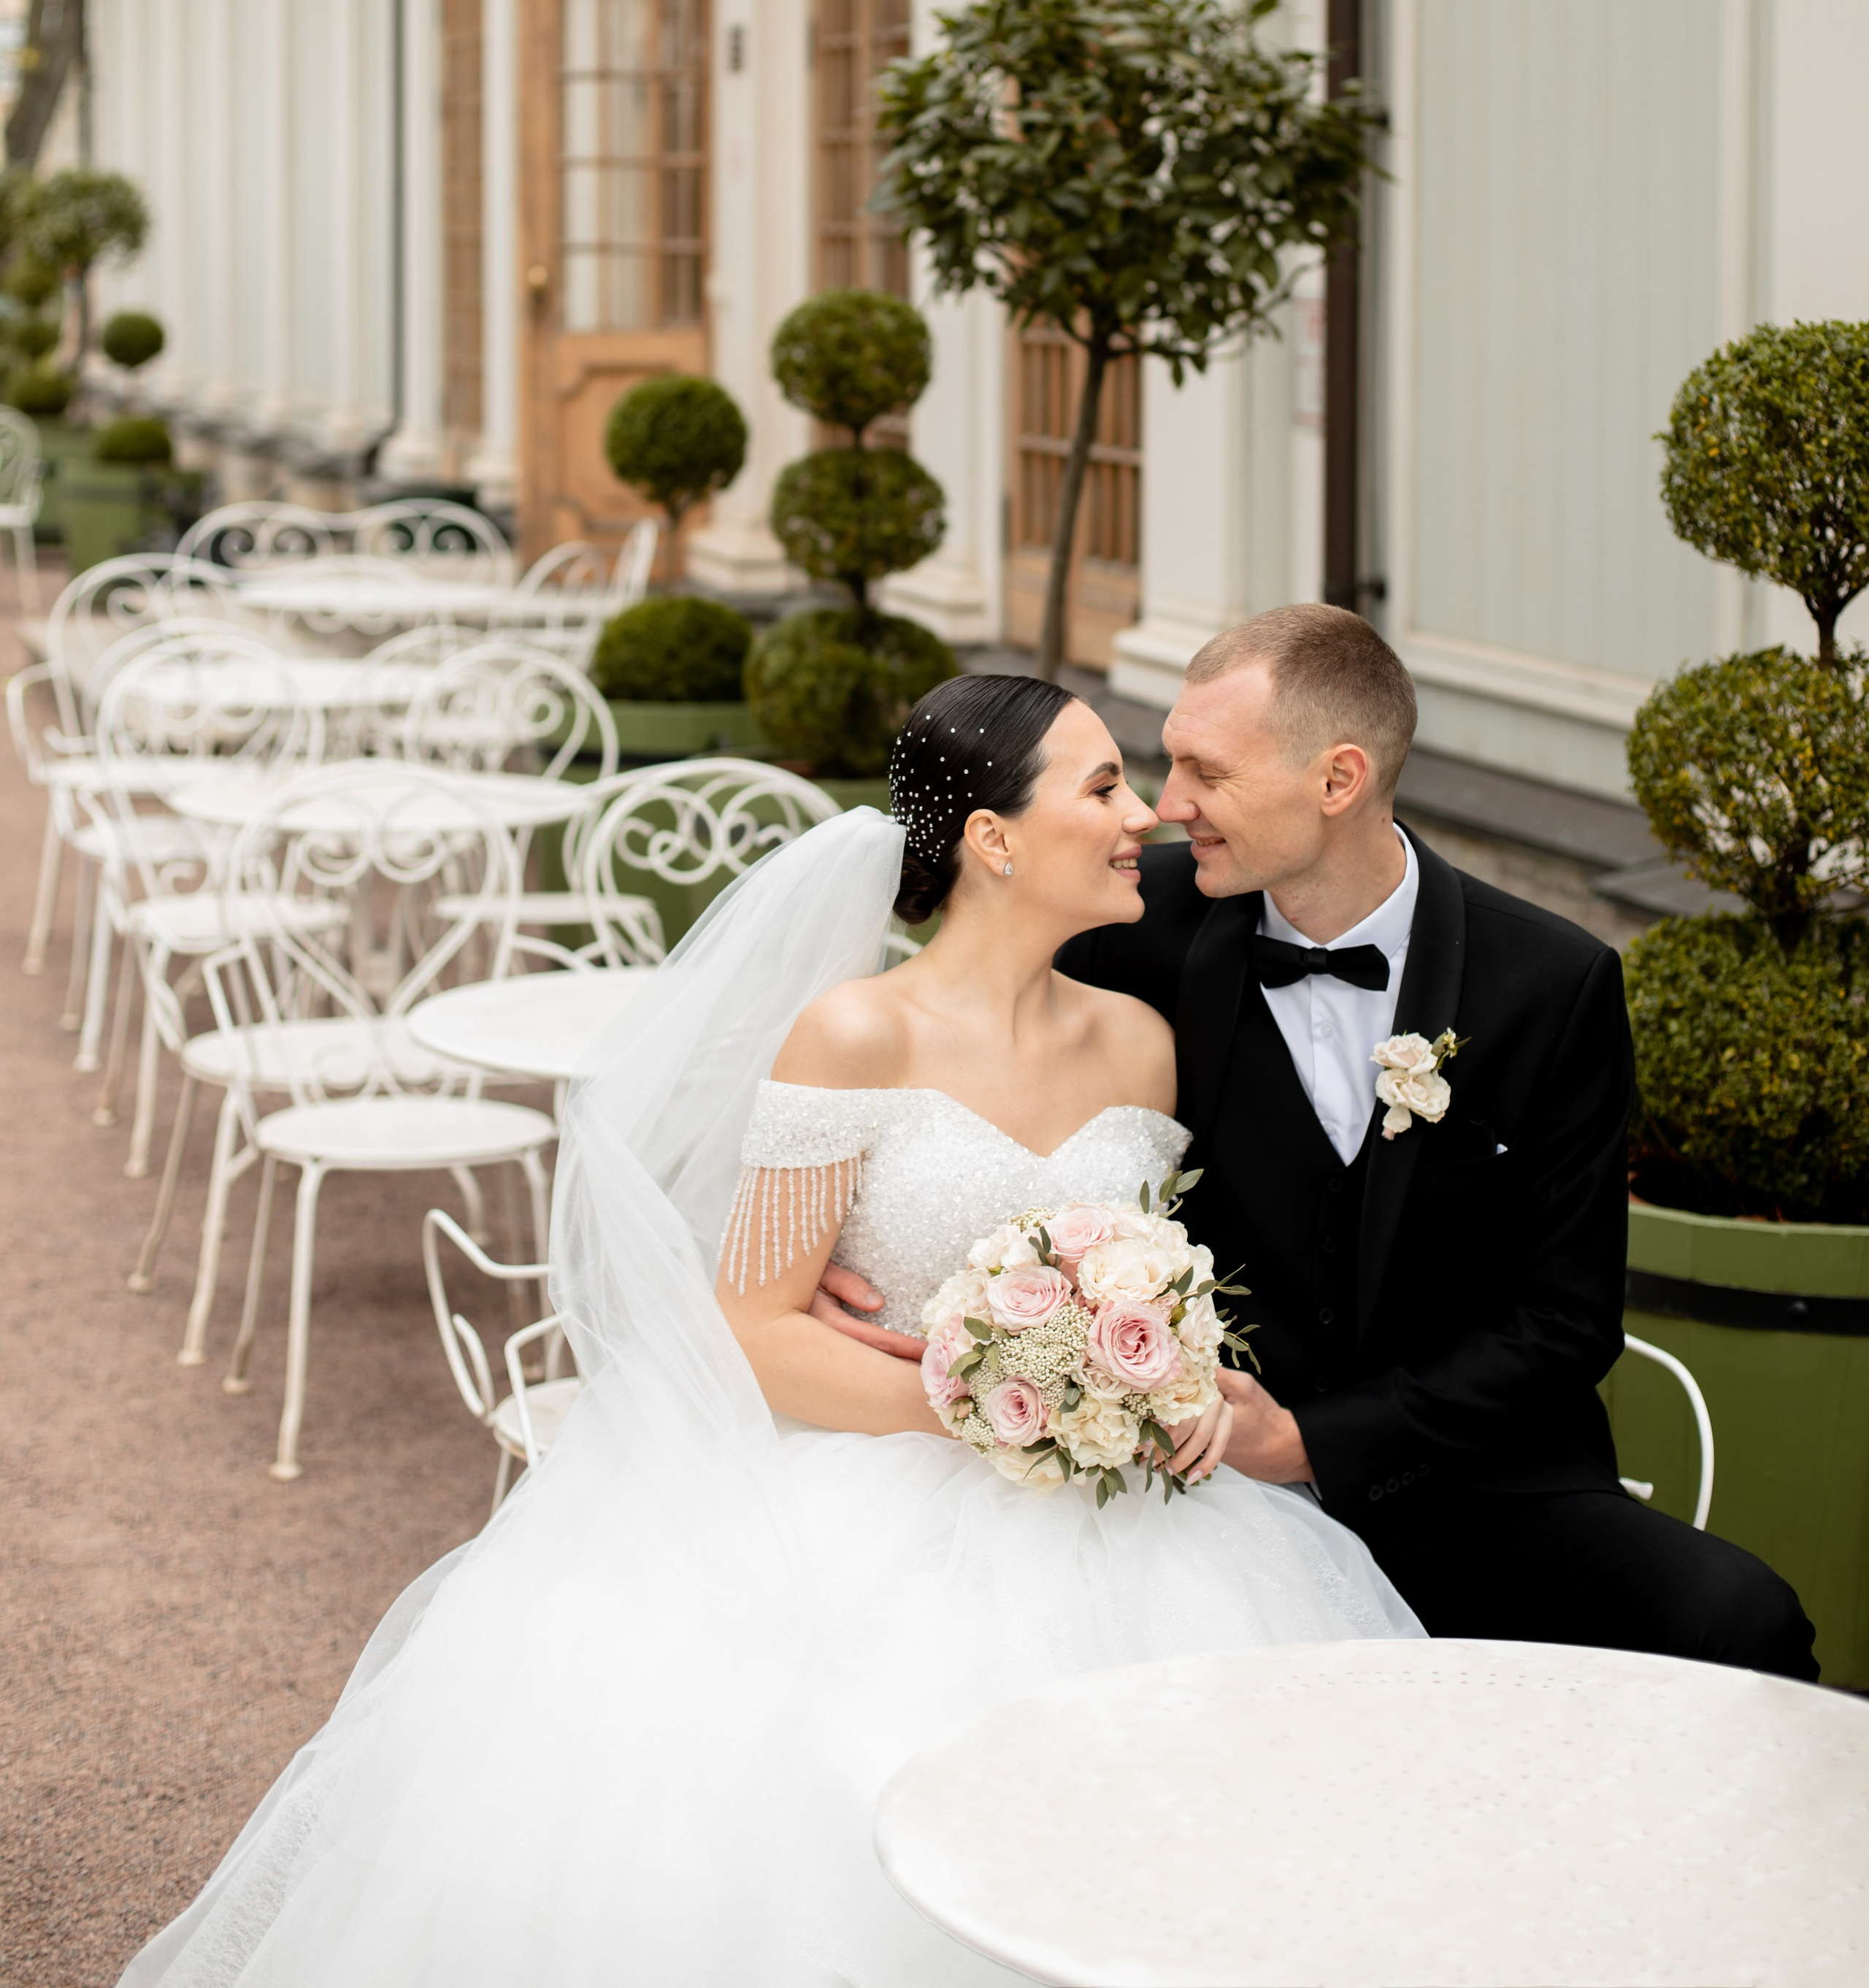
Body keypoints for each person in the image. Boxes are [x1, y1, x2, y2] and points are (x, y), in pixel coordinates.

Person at [123, 675, 1419, 1988]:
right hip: (878, 1504)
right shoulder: (854, 1030)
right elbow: (747, 1328)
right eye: (1102, 788)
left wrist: (1150, 1382)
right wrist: (1003, 1396)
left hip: (1141, 1520)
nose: (1141, 815)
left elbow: (1162, 1278)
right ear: (993, 838)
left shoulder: (1143, 1041)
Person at [1035, 605, 1813, 1678]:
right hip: (1204, 1491)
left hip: (1472, 1482)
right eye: (1169, 765)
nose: (1170, 805)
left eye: (1205, 771)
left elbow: (1563, 1324)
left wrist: (1314, 1441)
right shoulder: (1131, 930)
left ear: (1338, 778)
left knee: (1744, 1619)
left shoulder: (1552, 982)